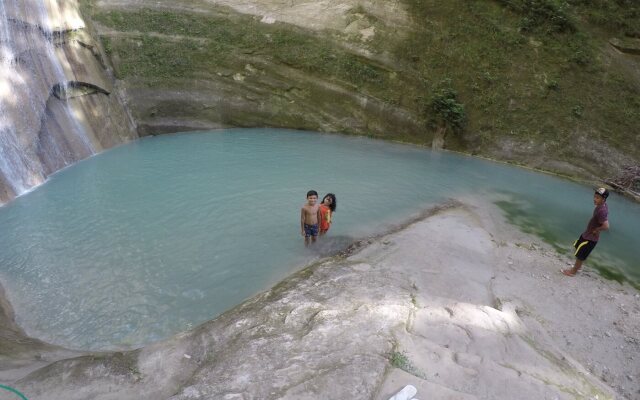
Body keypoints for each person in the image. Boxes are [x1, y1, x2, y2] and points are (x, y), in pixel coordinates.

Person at [562, 187, 610, 277]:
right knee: (579, 249)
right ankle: (578, 267)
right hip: (587, 235)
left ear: (603, 199)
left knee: (580, 255)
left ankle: (573, 272)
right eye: (594, 196)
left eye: (597, 198)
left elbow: (606, 226)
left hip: (591, 238)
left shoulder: (602, 211)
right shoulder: (602, 206)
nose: (594, 199)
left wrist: (597, 230)